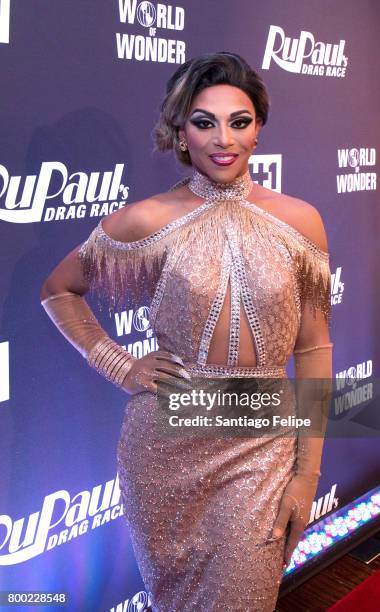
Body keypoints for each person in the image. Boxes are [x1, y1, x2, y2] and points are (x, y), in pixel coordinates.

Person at [40, 52, 333, 612]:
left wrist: (307, 473)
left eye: (239, 121)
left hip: (260, 441)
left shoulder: (301, 220)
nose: (224, 138)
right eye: (204, 122)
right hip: (165, 445)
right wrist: (120, 365)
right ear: (180, 132)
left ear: (259, 128)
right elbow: (58, 290)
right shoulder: (148, 219)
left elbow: (314, 347)